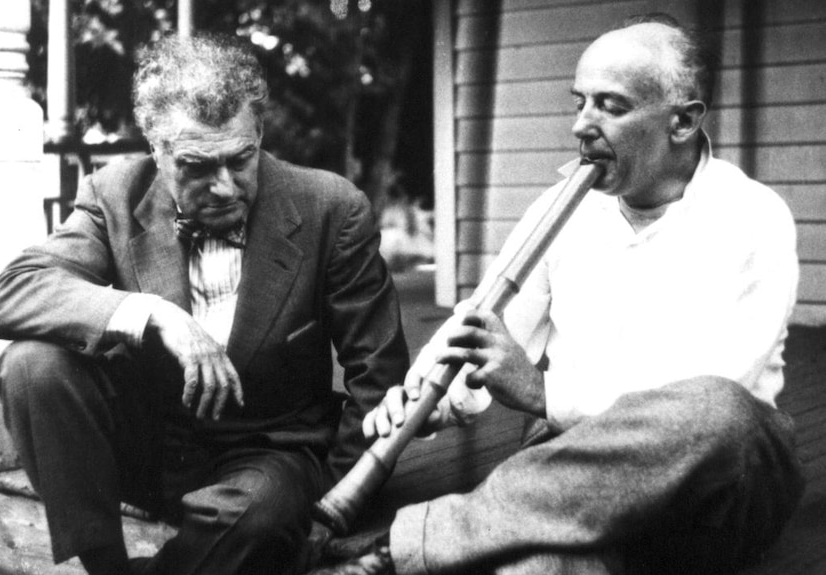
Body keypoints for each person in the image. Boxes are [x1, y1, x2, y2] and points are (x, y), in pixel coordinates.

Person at [318, 13, 805, 575]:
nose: (581, 125)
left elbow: (702, 410)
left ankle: (396, 548)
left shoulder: (752, 217)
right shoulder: (562, 207)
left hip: (721, 478)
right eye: (579, 102)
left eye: (611, 106)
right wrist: (425, 401)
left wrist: (542, 392)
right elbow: (483, 327)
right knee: (535, 569)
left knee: (715, 407)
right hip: (575, 476)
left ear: (683, 122)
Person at [0, 34, 409, 575]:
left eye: (240, 159)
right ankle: (105, 565)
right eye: (197, 166)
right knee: (31, 364)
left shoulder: (332, 208)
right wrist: (153, 314)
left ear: (259, 133)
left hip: (267, 456)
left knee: (261, 513)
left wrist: (334, 507)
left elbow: (381, 379)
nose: (226, 187)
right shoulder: (114, 193)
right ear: (155, 151)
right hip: (147, 448)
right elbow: (10, 292)